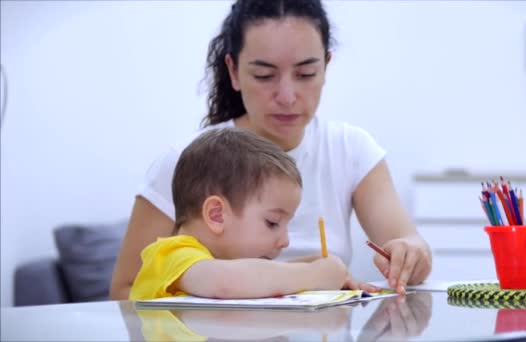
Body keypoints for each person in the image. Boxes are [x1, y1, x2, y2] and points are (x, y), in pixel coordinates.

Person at [111, 0, 432, 300]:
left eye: (306, 73)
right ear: (234, 72)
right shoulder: (190, 161)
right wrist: (313, 276)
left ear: (326, 67)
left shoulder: (352, 149)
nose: (287, 95)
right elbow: (128, 291)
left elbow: (408, 243)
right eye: (264, 75)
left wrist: (410, 253)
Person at [129, 127, 348, 301]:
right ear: (217, 215)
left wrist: (315, 266)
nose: (285, 242)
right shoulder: (172, 256)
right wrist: (313, 275)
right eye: (273, 223)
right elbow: (225, 282)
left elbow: (249, 276)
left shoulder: (215, 262)